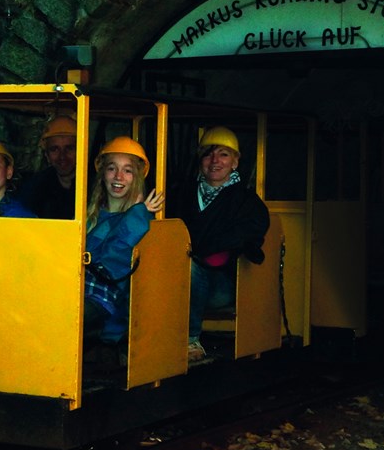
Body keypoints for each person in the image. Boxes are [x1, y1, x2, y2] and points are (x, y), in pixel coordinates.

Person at [167, 126, 270, 362]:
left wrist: (200, 249)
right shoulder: (181, 195)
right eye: (208, 154)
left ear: (235, 162)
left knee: (192, 268)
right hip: (176, 276)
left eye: (223, 154)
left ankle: (190, 339)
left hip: (222, 284)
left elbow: (249, 234)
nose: (214, 160)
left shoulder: (247, 202)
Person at [83, 137, 165, 345]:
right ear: (103, 173)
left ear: (136, 177)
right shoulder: (88, 215)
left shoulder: (142, 219)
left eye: (128, 170)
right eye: (112, 168)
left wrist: (136, 215)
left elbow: (112, 262)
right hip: (75, 290)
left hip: (105, 300)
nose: (118, 176)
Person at [19, 113, 78, 219]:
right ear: (46, 155)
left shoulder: (96, 186)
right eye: (54, 149)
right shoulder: (35, 187)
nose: (62, 156)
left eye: (69, 148)